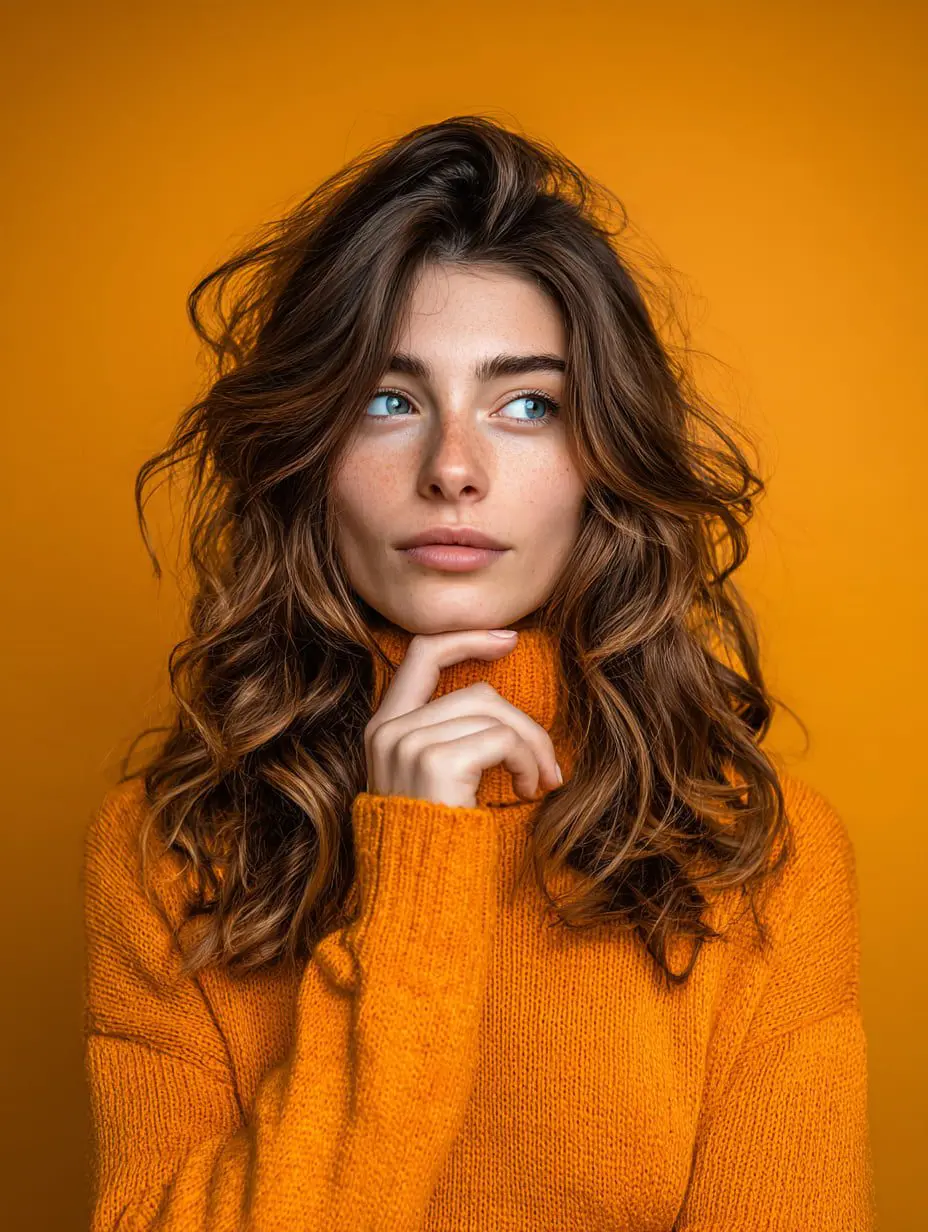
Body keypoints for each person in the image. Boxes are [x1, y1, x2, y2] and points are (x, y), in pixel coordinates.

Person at [81, 114, 875, 1230]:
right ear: (306, 455)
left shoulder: (759, 857)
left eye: (527, 405)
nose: (453, 468)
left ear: (603, 461)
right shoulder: (169, 855)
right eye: (388, 399)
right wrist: (415, 883)